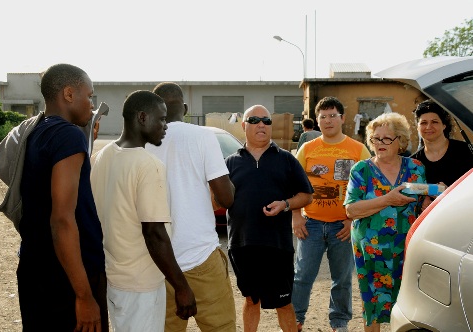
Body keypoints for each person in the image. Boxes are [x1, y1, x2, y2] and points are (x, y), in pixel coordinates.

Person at [90, 90, 196, 331]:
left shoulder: (102, 156)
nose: (165, 125)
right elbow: (154, 233)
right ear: (142, 118)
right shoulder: (148, 166)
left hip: (114, 279)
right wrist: (182, 287)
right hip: (141, 286)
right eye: (161, 119)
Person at [16, 63, 108, 331]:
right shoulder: (66, 136)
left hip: (36, 268)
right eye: (89, 96)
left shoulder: (36, 130)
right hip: (67, 277)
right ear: (69, 94)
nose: (91, 105)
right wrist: (84, 295)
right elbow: (62, 221)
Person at [145, 82, 237, 331]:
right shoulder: (203, 136)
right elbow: (226, 198)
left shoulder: (143, 143)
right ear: (185, 108)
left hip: (159, 263)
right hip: (202, 256)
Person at [225, 104, 314, 332]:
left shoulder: (286, 159)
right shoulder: (230, 163)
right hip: (242, 245)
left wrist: (285, 204)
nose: (261, 125)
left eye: (266, 121)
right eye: (254, 120)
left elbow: (306, 196)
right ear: (244, 125)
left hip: (277, 245)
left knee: (283, 303)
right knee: (250, 300)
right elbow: (216, 200)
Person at [292, 96, 371, 332]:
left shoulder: (358, 150)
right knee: (303, 276)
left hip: (344, 227)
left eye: (332, 115)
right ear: (317, 121)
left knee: (343, 279)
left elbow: (368, 188)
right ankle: (296, 319)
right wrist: (296, 215)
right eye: (323, 117)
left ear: (342, 118)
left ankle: (339, 322)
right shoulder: (307, 149)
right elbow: (293, 183)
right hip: (311, 224)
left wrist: (352, 220)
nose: (328, 121)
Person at [344, 112, 426, 332]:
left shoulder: (415, 167)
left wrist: (439, 193)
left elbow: (423, 202)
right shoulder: (361, 170)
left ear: (400, 141)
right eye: (375, 138)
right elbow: (351, 210)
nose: (380, 143)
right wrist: (388, 199)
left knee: (407, 300)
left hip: (404, 248)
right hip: (370, 249)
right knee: (372, 302)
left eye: (386, 138)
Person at [411, 99, 473, 188]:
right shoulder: (413, 162)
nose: (428, 127)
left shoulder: (466, 151)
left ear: (444, 125)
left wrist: (448, 193)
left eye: (434, 122)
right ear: (417, 127)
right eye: (423, 123)